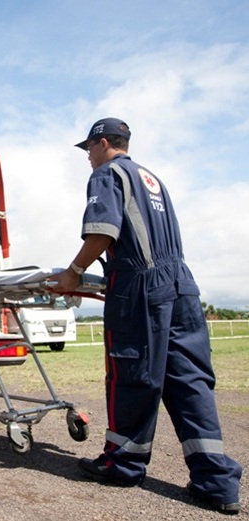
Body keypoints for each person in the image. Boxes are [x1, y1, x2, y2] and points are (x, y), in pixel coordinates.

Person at [47, 117, 242, 514]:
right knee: (190, 380)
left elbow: (103, 231)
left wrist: (74, 272)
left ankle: (122, 463)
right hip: (181, 285)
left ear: (103, 143)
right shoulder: (153, 179)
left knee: (132, 373)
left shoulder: (108, 173)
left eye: (88, 149)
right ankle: (216, 482)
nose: (87, 157)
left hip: (141, 288)